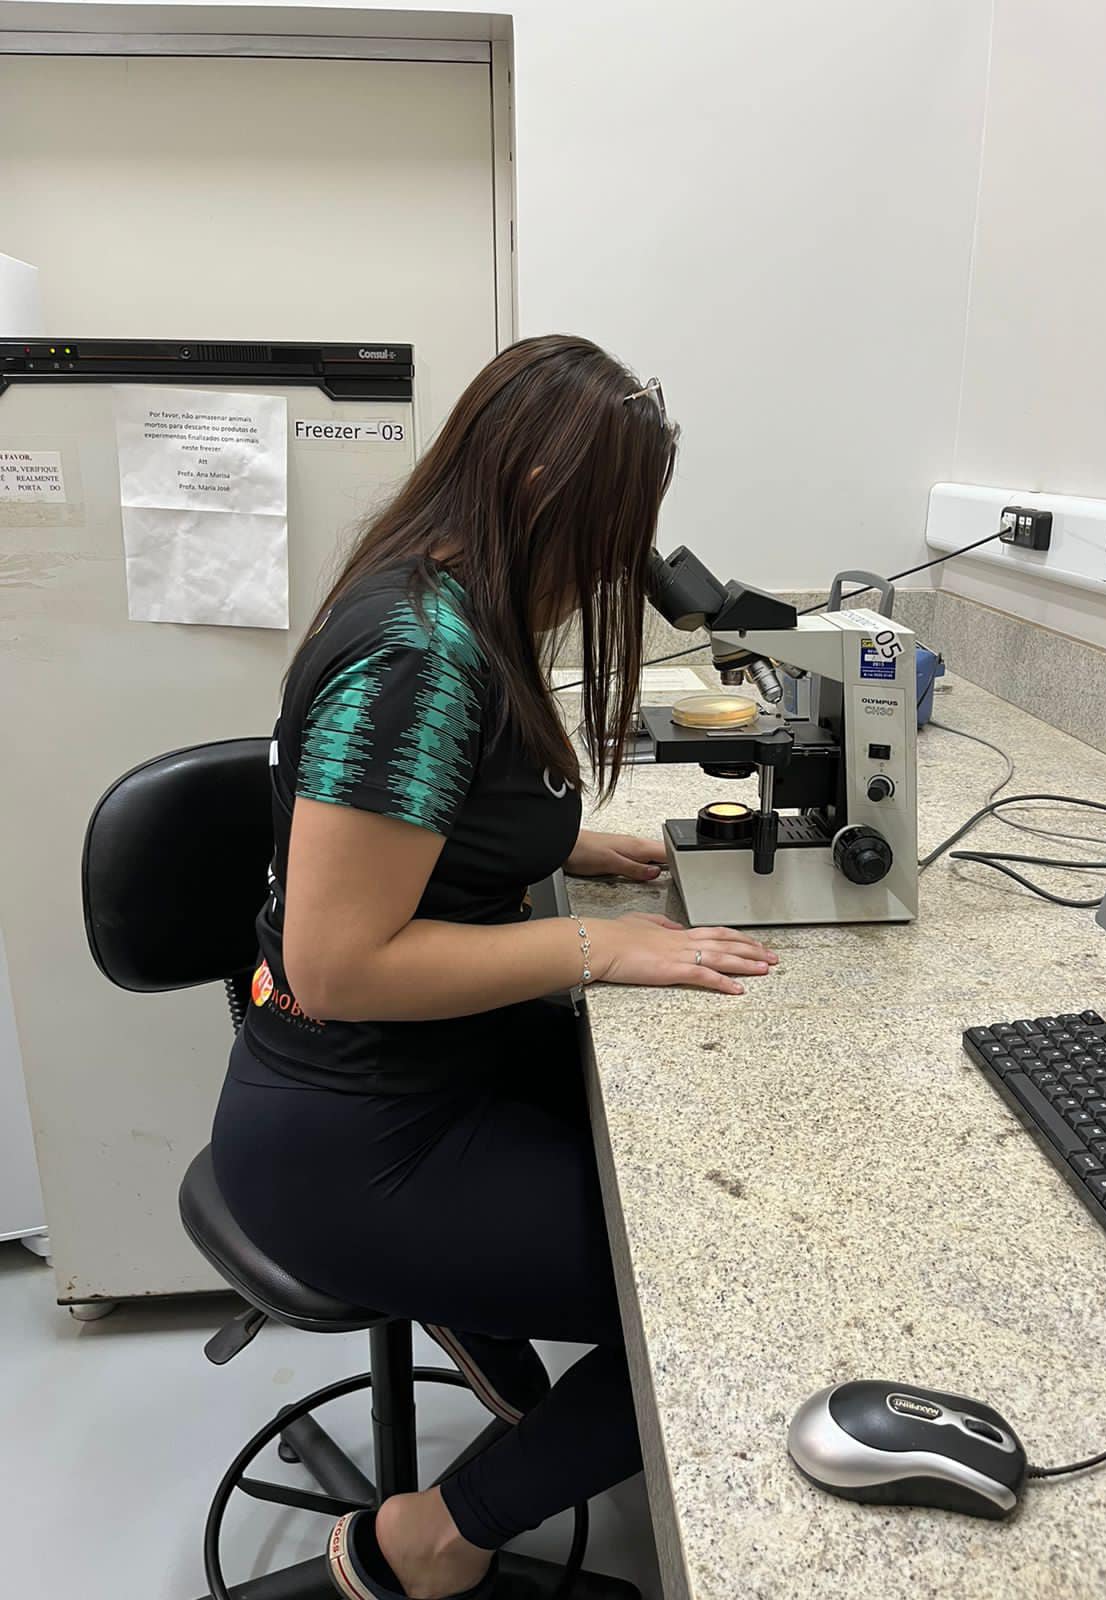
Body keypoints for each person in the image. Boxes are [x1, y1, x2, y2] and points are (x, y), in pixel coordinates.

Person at [211, 334, 777, 1600]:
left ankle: (482, 1294)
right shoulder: (421, 650)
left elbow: (422, 811)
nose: (606, 570)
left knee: (728, 1163)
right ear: (533, 492)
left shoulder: (442, 587)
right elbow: (342, 959)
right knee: (722, 1300)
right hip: (353, 1140)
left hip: (412, 1076)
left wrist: (564, 839)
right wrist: (598, 944)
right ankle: (431, 1537)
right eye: (603, 533)